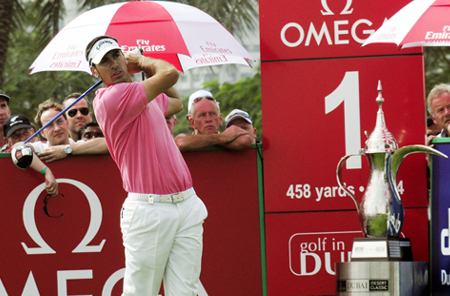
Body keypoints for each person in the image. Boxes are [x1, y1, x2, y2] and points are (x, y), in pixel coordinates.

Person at [85, 35, 207, 296]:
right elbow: (171, 73)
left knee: (186, 291)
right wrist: (142, 62)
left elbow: (174, 102)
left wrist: (145, 71)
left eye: (116, 55)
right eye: (104, 62)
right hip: (149, 210)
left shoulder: (141, 95)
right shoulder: (111, 98)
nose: (114, 64)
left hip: (186, 204)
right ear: (94, 72)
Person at [174, 90, 252, 151]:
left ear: (220, 119)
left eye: (212, 114)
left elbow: (245, 141)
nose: (208, 119)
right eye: (202, 115)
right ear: (192, 122)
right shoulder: (224, 137)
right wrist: (221, 138)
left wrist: (216, 139)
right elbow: (181, 143)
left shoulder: (226, 138)